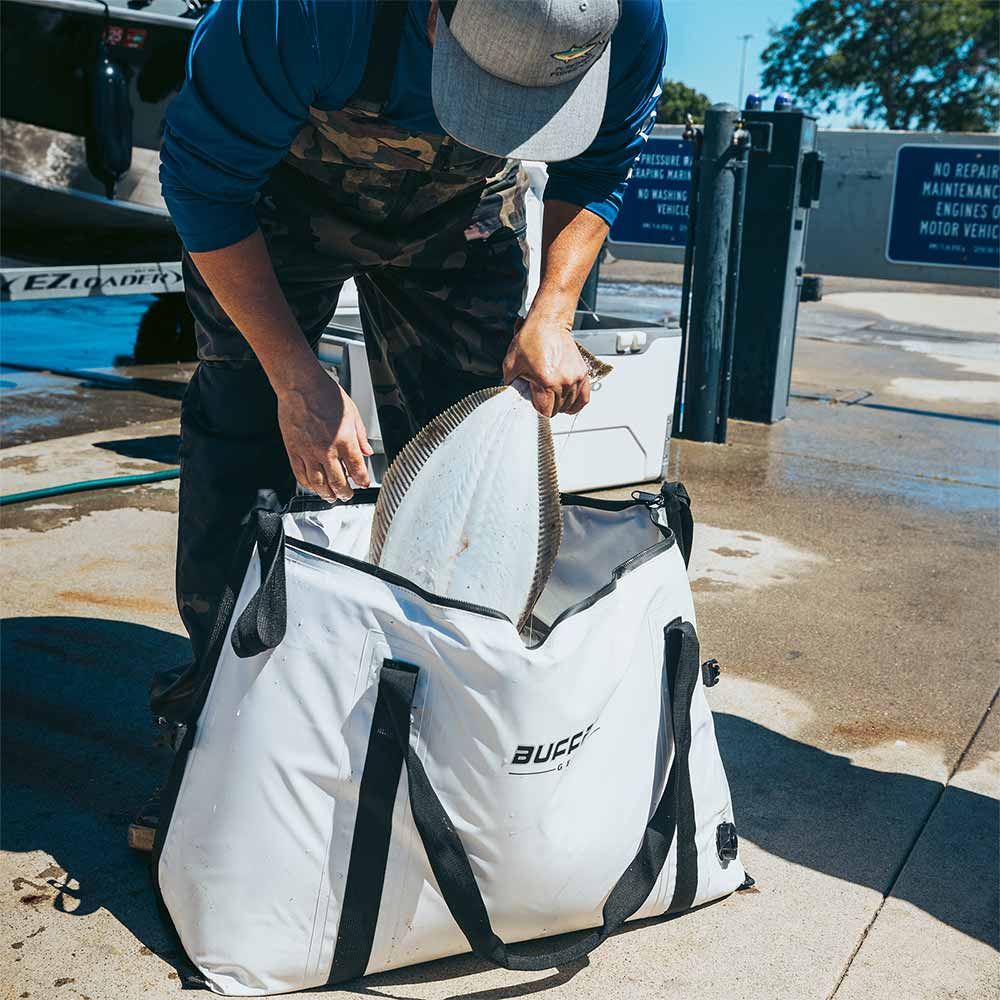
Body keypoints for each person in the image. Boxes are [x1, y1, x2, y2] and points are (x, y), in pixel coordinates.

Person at [129, 0, 667, 851]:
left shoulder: (623, 18)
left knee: (477, 449)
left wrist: (553, 313)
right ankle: (216, 746)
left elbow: (601, 164)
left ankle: (452, 734)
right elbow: (204, 186)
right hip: (276, 201)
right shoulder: (299, 13)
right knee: (247, 437)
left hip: (462, 211)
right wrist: (295, 378)